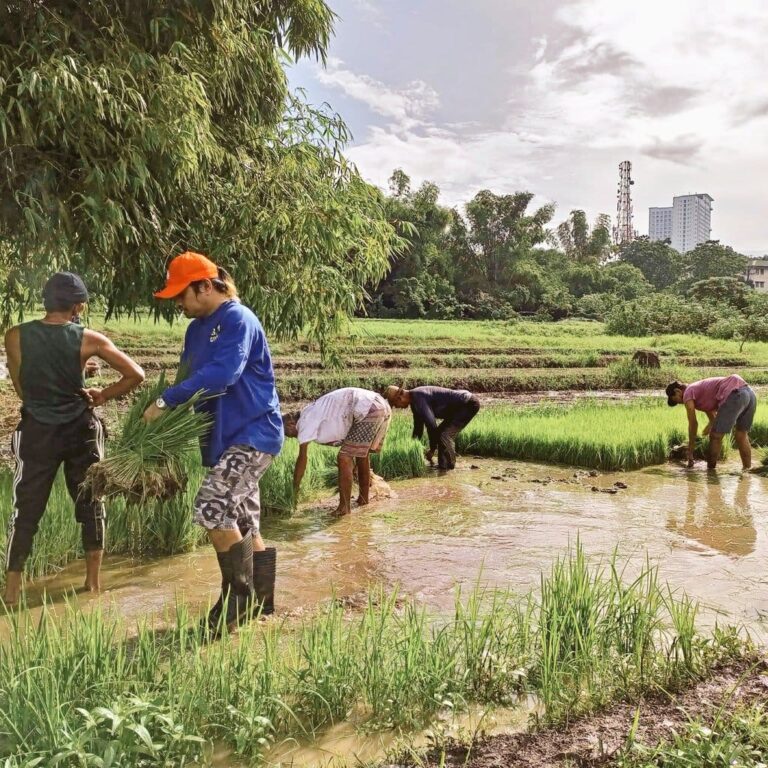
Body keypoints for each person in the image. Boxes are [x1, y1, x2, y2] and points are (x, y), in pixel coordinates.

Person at [144, 251, 283, 633]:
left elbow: (222, 375)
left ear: (205, 286)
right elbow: (189, 377)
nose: (178, 304)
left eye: (181, 296)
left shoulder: (238, 319)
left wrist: (163, 401)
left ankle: (236, 602)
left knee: (210, 509)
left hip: (252, 434)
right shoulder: (195, 330)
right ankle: (264, 603)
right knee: (243, 520)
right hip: (222, 435)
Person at [3, 272, 145, 606]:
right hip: (80, 430)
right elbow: (135, 374)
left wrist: (45, 396)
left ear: (46, 301)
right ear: (78, 305)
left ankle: (11, 591)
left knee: (25, 509)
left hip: (36, 431)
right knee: (91, 503)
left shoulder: (15, 335)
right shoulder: (88, 339)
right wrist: (101, 394)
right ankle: (92, 585)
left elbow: (22, 386)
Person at [282, 387, 391, 516]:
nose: (290, 437)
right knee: (361, 455)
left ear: (290, 423)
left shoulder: (304, 421)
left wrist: (294, 489)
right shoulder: (311, 411)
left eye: (286, 433)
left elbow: (302, 459)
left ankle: (344, 508)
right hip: (379, 404)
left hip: (367, 408)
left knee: (343, 458)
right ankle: (363, 500)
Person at [666, 375, 756, 470]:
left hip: (735, 394)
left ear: (677, 391)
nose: (680, 403)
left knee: (715, 437)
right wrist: (705, 432)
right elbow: (713, 420)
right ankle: (747, 470)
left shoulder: (688, 392)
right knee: (741, 435)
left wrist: (690, 452)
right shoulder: (699, 391)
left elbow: (693, 424)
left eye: (676, 400)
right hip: (749, 393)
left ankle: (710, 473)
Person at [384, 385, 480, 470]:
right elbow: (418, 428)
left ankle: (451, 465)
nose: (398, 407)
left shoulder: (418, 397)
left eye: (396, 405)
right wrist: (412, 448)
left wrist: (432, 449)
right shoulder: (415, 403)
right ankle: (443, 466)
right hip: (458, 407)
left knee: (444, 435)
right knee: (440, 433)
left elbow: (431, 425)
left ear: (399, 398)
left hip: (467, 404)